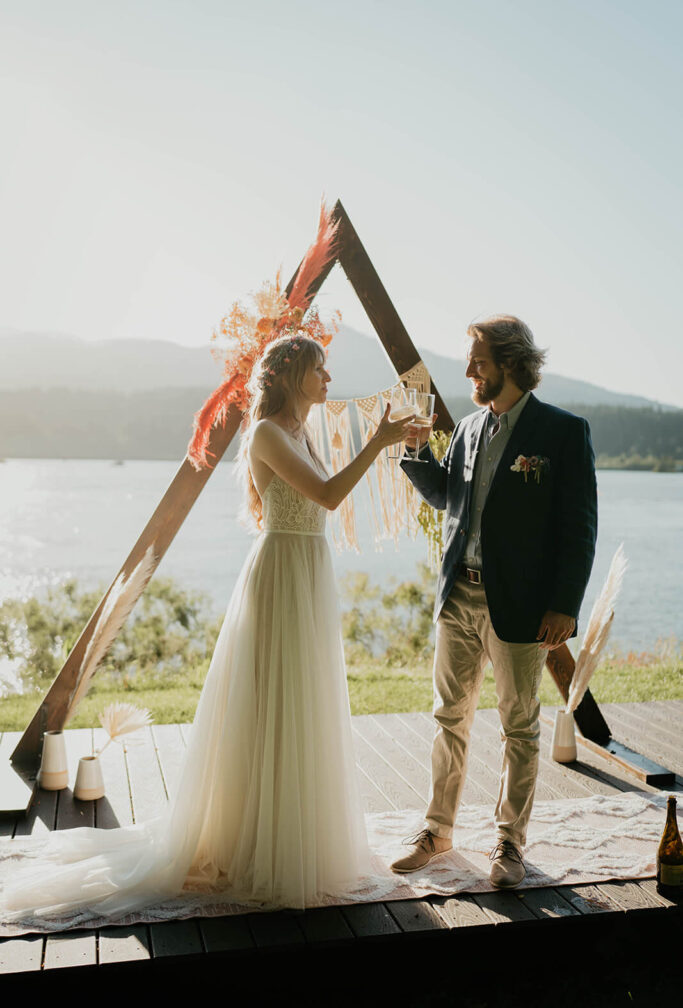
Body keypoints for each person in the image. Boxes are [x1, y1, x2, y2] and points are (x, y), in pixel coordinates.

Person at [0, 333, 414, 925]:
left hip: (308, 571)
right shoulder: (269, 432)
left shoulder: (301, 431)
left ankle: (288, 829)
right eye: (320, 369)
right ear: (293, 374)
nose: (329, 378)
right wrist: (379, 441)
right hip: (281, 575)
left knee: (301, 702)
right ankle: (257, 842)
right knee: (271, 701)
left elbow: (324, 502)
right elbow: (325, 496)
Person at [391, 315, 597, 887]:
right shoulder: (466, 430)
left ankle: (509, 844)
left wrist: (564, 604)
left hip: (525, 606)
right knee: (448, 716)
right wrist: (415, 453)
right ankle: (438, 831)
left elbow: (578, 527)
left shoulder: (562, 432)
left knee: (519, 726)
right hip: (458, 594)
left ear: (509, 363)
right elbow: (448, 499)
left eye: (477, 362)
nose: (468, 371)